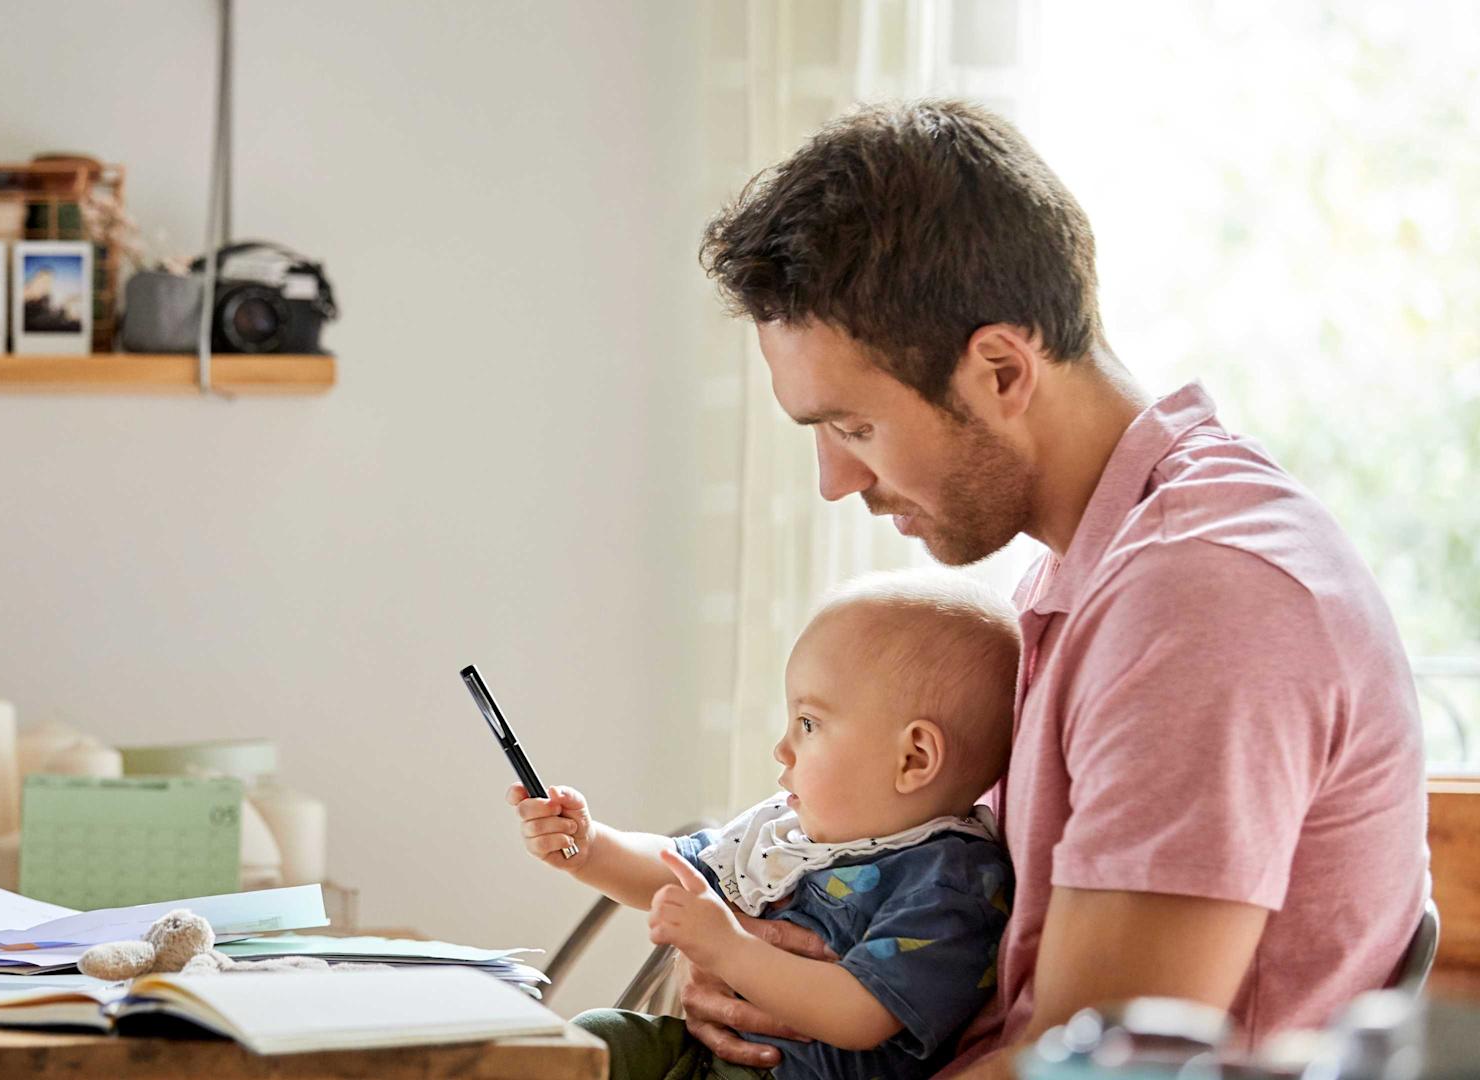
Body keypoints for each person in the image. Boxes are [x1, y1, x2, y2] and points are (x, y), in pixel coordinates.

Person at [685, 99, 1427, 1078]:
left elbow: (1091, 1072)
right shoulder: (1098, 570)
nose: (836, 480)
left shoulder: (1200, 603)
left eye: (855, 428)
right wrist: (804, 983)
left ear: (999, 368)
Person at [512, 570, 1021, 1080]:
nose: (782, 749)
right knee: (597, 1036)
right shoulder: (789, 825)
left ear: (913, 758)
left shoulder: (950, 882)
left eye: (808, 723)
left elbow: (861, 1014)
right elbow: (677, 867)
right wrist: (590, 845)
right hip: (708, 1058)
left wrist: (731, 949)